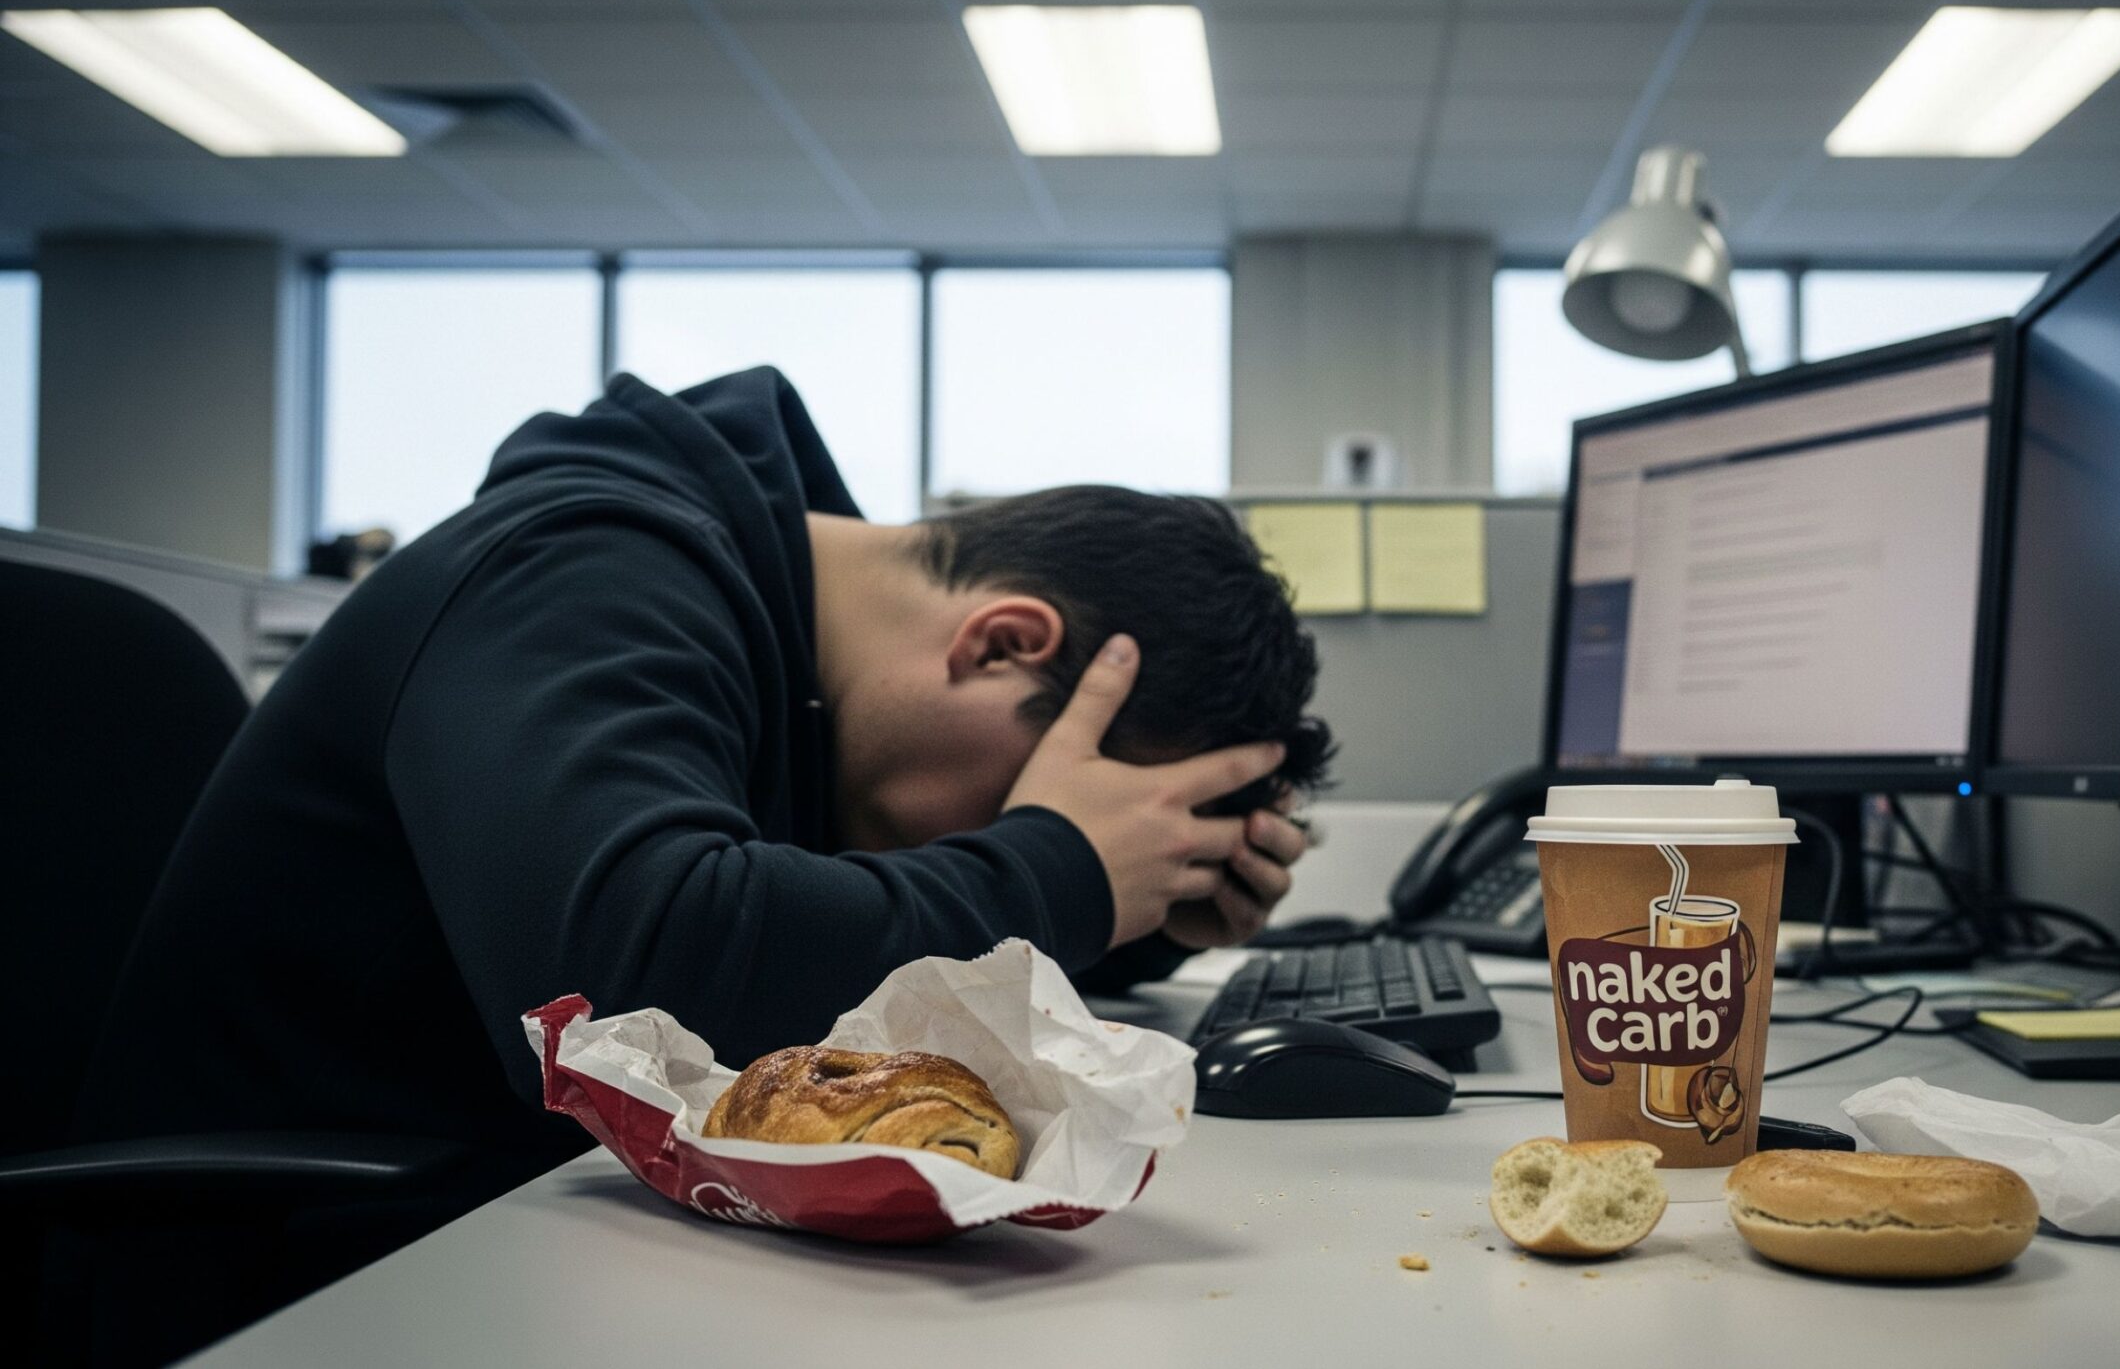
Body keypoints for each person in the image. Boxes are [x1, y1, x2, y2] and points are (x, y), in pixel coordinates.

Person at [57, 368, 1331, 1360]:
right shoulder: (581, 570)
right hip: (302, 1276)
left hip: (531, 1239)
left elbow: (831, 954)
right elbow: (638, 969)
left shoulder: (787, 661)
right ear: (1001, 642)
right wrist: (1057, 864)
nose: (1014, 820)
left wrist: (1142, 908)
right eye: (1029, 786)